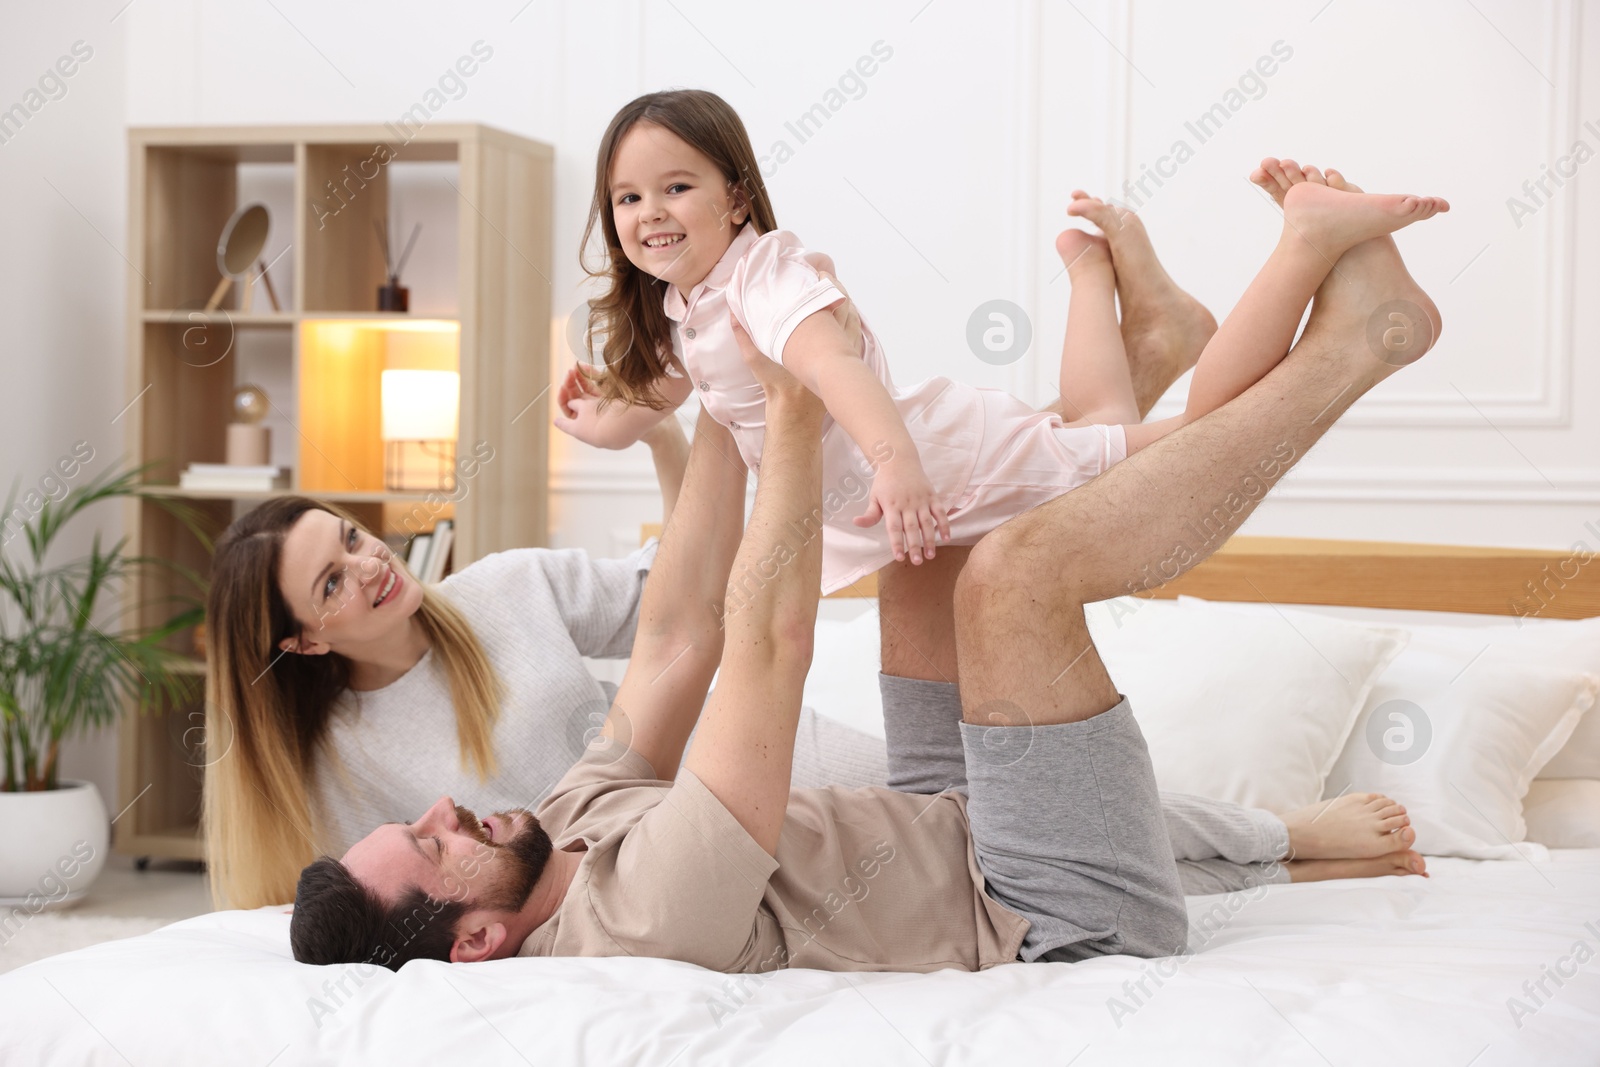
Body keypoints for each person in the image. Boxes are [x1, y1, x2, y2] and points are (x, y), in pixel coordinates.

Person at [290, 179, 1440, 972]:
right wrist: (785, 395)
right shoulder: (636, 920)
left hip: (945, 820)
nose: (441, 808)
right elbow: (767, 643)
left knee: (922, 548)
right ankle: (1359, 344)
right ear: (477, 938)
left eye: (420, 818)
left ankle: (1144, 361)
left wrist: (665, 426)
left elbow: (681, 634)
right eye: (433, 845)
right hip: (1052, 909)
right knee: (1011, 579)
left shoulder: (560, 821)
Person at [200, 416, 885, 912]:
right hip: (685, 877)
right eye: (331, 583)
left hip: (758, 752)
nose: (369, 563)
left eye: (351, 536)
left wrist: (661, 436)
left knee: (953, 815)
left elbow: (694, 600)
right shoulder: (340, 765)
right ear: (306, 643)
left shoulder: (506, 586)